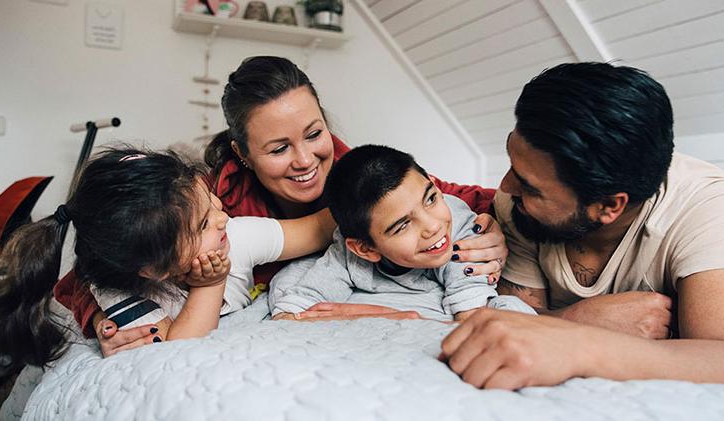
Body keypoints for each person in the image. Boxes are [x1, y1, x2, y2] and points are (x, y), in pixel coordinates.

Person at [53, 56, 509, 356]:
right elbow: (95, 263)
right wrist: (106, 321)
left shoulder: (361, 178)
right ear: (243, 155)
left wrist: (496, 229)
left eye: (314, 134)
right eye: (278, 149)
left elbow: (469, 198)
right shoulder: (212, 204)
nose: (306, 160)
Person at [439, 62, 724, 389]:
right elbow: (514, 316)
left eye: (531, 188)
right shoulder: (517, 207)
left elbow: (717, 355)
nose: (504, 187)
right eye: (511, 163)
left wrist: (584, 345)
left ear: (608, 206)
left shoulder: (707, 211)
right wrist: (578, 319)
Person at [0, 148, 336, 366]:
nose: (223, 217)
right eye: (204, 223)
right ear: (155, 269)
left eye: (214, 202)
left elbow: (317, 230)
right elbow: (176, 349)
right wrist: (210, 284)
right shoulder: (115, 293)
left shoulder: (233, 235)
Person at [269, 145, 535, 321]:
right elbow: (292, 312)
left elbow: (471, 319)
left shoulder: (460, 228)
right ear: (365, 249)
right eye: (403, 225)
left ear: (433, 184)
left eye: (430, 199)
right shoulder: (348, 256)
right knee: (290, 276)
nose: (432, 226)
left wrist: (387, 315)